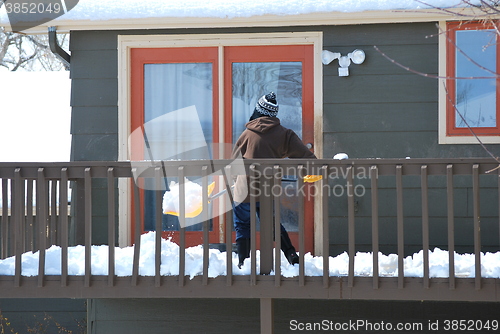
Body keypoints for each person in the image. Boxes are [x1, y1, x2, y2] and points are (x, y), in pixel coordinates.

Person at [231, 92, 316, 268]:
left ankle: (243, 263)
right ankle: (291, 255)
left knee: (242, 225)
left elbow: (233, 163)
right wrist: (312, 173)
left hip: (243, 189)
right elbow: (306, 158)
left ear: (257, 111)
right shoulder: (285, 135)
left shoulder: (246, 134)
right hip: (266, 190)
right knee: (272, 224)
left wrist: (233, 181)